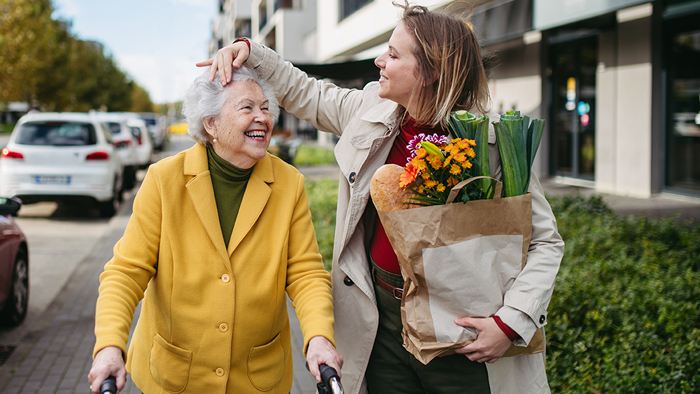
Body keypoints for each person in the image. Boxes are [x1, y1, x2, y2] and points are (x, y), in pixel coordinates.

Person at [199, 2, 564, 393]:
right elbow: (306, 91)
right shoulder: (371, 111)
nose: (379, 61)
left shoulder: (491, 144)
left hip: (464, 334)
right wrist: (251, 52)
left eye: (392, 54)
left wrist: (508, 324)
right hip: (381, 320)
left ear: (431, 71)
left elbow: (545, 241)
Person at [87, 65, 343, 394]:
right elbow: (126, 271)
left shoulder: (288, 183)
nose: (262, 117)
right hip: (176, 376)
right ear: (211, 124)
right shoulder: (165, 180)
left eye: (266, 108)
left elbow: (306, 272)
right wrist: (109, 345)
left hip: (256, 378)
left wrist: (318, 336)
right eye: (247, 107)